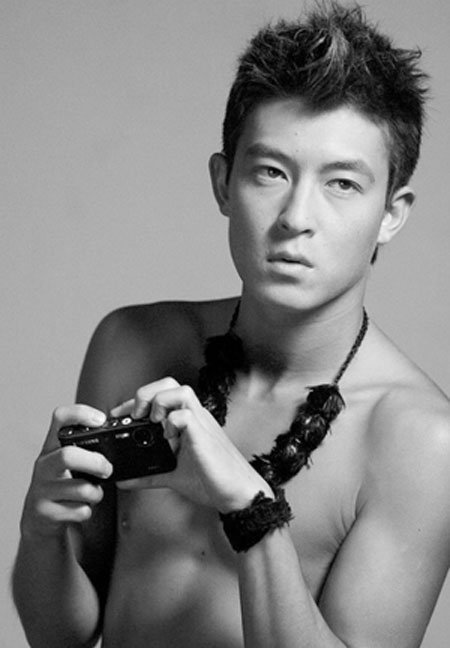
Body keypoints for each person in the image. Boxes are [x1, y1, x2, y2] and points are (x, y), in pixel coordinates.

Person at [12, 3, 450, 647]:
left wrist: (250, 509)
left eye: (342, 184)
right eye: (271, 172)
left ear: (392, 213)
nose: (296, 217)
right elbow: (62, 637)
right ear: (223, 183)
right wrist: (39, 534)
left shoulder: (420, 441)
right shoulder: (133, 344)